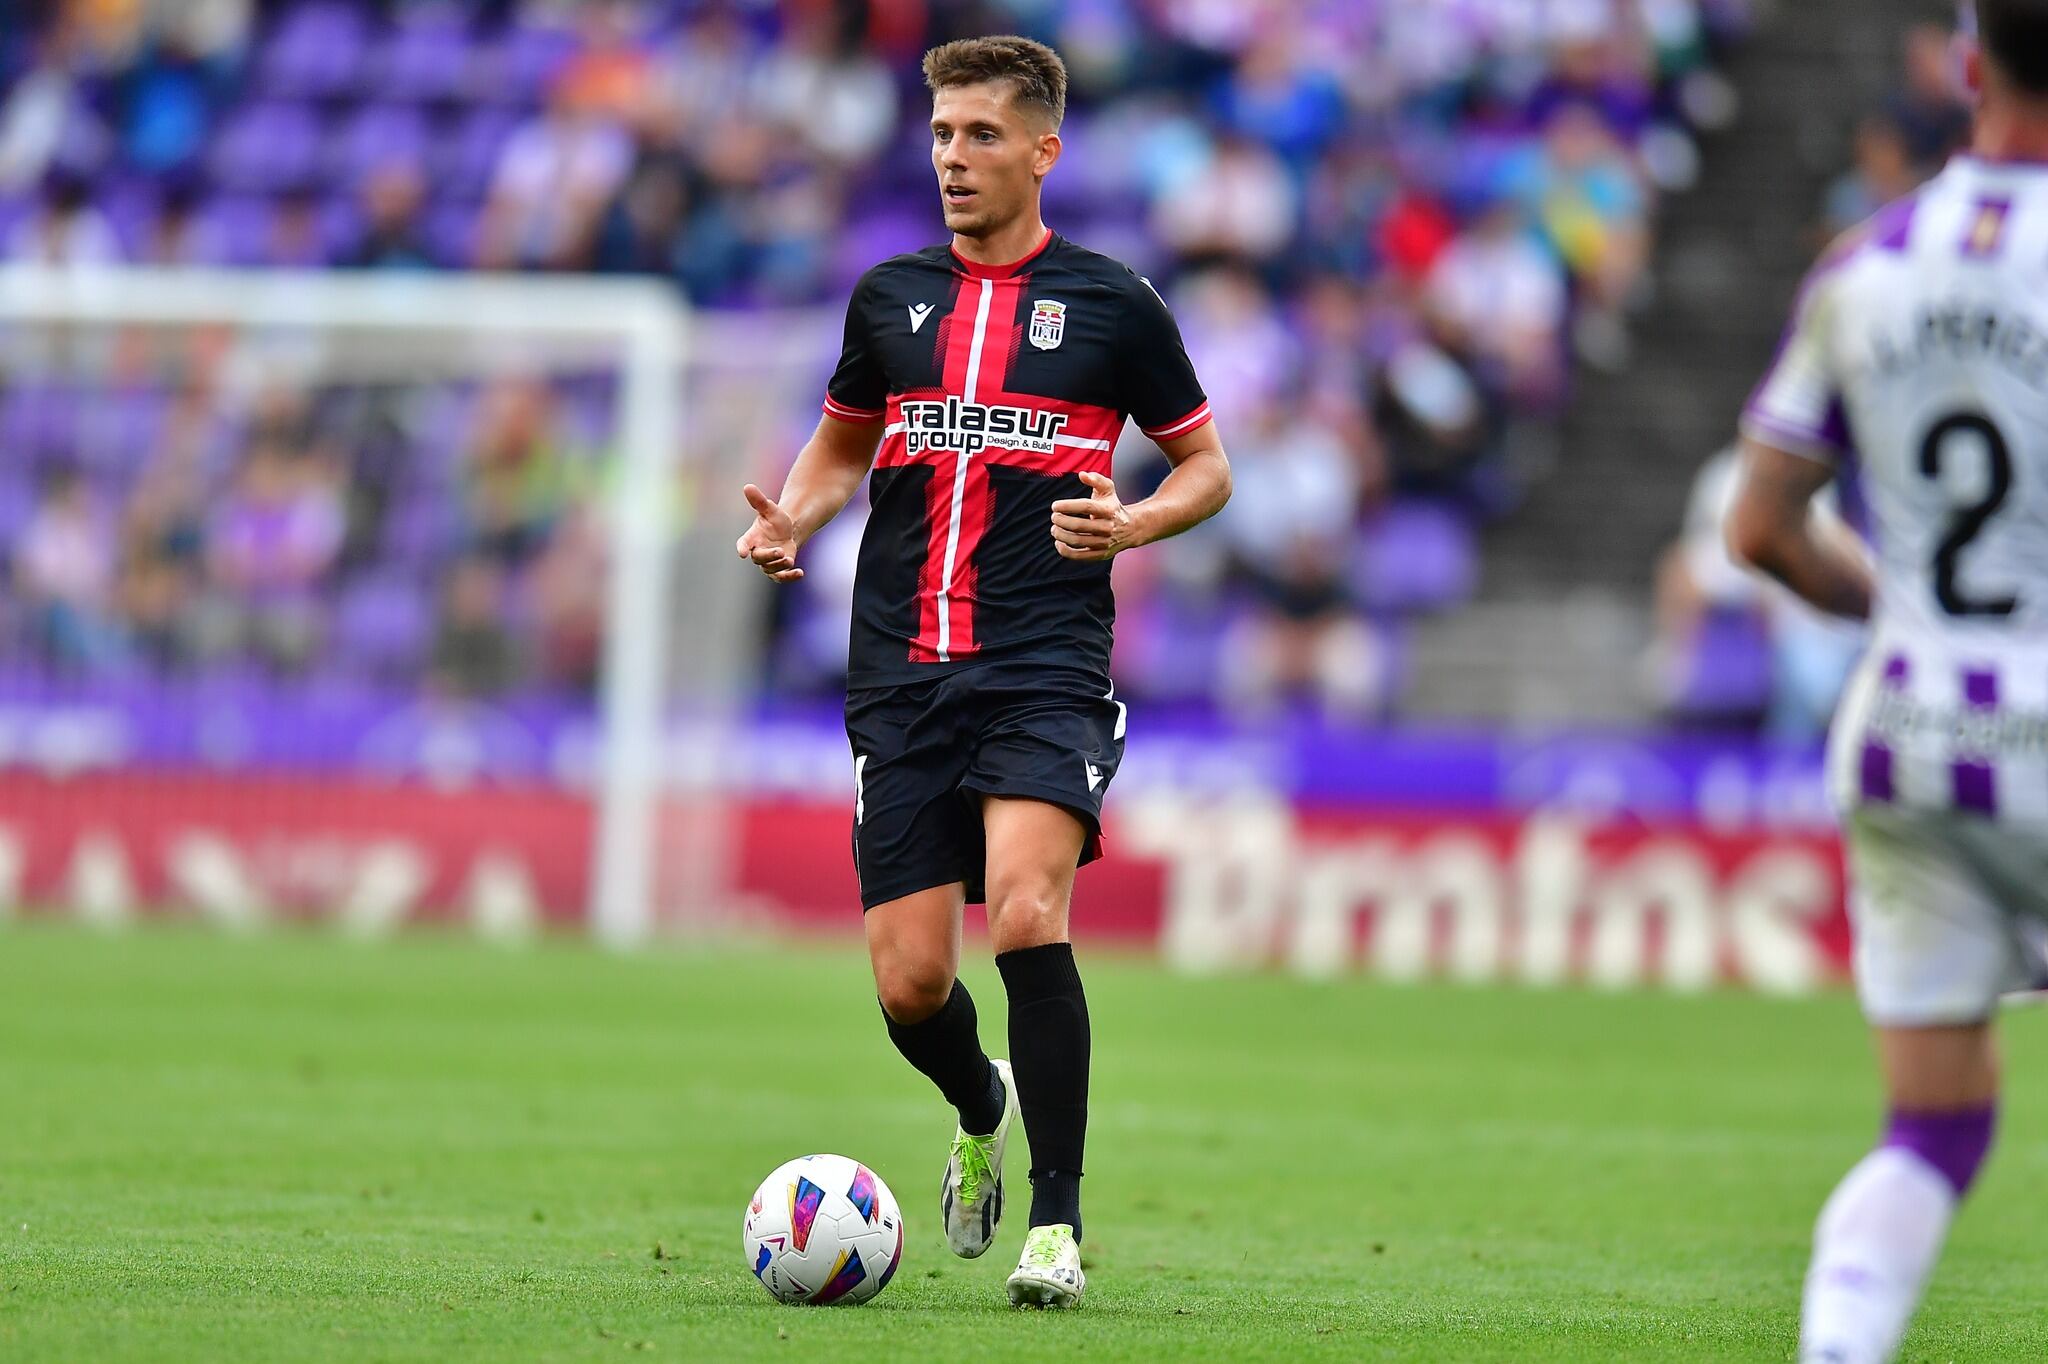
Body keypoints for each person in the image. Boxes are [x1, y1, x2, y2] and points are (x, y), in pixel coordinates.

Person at [735, 35, 1231, 1310]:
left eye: (982, 137)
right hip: (899, 669)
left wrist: (1130, 522)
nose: (955, 158)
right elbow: (843, 448)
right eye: (943, 135)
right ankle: (979, 1100)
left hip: (1041, 664)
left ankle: (1056, 1226)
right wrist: (793, 515)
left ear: (1042, 150)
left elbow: (1204, 467)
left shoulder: (1116, 307)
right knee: (909, 983)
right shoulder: (888, 298)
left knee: (1022, 908)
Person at [1726, 4, 2048, 1358]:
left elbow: (1760, 529)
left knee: (1932, 1128)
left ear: (1970, 67)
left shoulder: (1865, 265)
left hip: (1904, 726)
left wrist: (1900, 606)